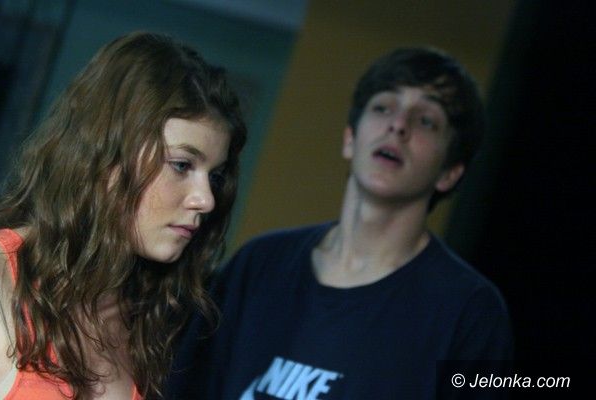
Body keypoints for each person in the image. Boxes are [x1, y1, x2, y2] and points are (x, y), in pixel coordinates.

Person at [167, 47, 513, 400]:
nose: (398, 125)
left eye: (426, 120)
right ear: (350, 138)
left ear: (449, 172)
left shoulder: (469, 311)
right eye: (383, 107)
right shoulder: (258, 265)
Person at [0, 31, 246, 399]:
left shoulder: (144, 315)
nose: (206, 200)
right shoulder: (1, 278)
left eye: (215, 176)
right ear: (107, 155)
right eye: (181, 165)